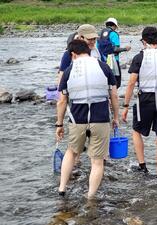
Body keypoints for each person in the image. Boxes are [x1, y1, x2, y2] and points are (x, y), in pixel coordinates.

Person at [56, 40, 119, 198]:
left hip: (78, 119)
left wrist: (59, 124)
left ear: (73, 54)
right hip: (100, 118)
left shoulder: (69, 71)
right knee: (97, 161)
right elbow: (114, 95)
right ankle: (90, 196)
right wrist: (116, 117)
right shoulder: (104, 67)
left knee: (71, 152)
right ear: (88, 51)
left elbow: (62, 101)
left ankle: (62, 188)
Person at [122, 27, 157, 177]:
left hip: (145, 99)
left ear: (144, 41)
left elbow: (131, 82)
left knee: (136, 131)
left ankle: (143, 166)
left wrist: (126, 106)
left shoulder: (139, 57)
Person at [98, 17, 132, 88]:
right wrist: (125, 49)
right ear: (114, 25)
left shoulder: (99, 34)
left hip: (101, 60)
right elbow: (115, 49)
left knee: (105, 80)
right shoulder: (114, 34)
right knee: (116, 82)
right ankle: (113, 96)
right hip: (113, 61)